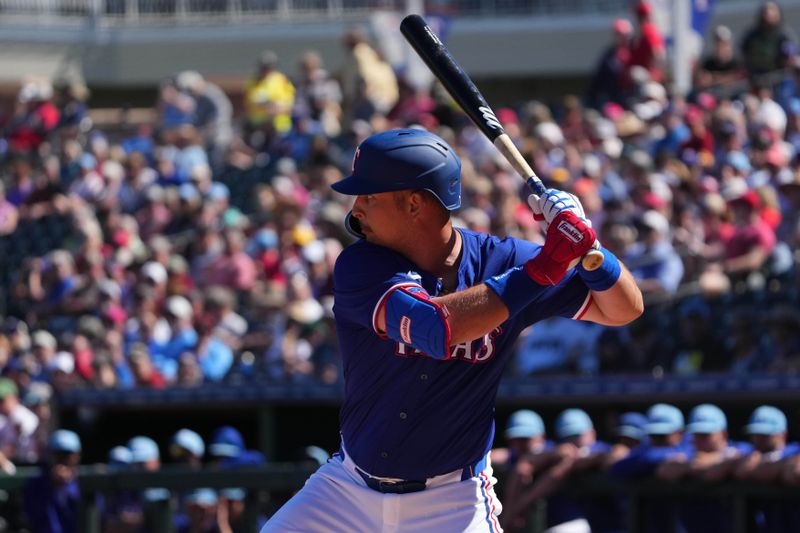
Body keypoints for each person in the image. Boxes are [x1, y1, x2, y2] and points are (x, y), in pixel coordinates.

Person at [261, 128, 642, 531]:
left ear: (414, 204)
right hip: (348, 491)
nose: (356, 209)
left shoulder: (504, 261)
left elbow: (624, 309)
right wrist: (543, 269)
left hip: (453, 502)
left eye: (369, 196)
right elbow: (437, 329)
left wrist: (591, 250)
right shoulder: (361, 265)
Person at [23, 429, 84, 533]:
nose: (62, 460)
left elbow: (96, 515)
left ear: (77, 456)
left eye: (67, 454)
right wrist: (52, 486)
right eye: (57, 454)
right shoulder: (37, 484)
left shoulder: (85, 483)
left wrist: (67, 487)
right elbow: (32, 516)